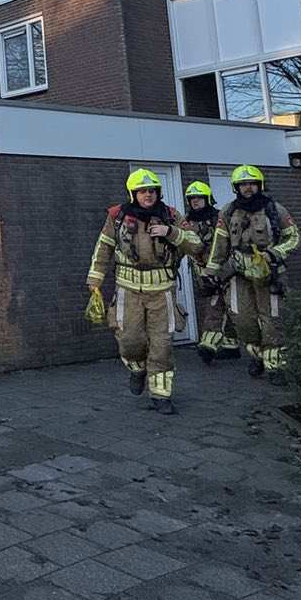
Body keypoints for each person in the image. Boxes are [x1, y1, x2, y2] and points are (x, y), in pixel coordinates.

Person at [86, 169, 204, 415]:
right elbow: (104, 246)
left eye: (152, 191)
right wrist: (95, 278)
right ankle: (137, 369)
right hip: (128, 290)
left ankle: (161, 395)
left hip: (162, 291)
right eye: (142, 191)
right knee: (129, 340)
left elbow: (196, 244)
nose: (148, 195)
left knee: (162, 345)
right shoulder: (117, 216)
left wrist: (170, 232)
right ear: (133, 194)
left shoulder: (171, 216)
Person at [203, 164, 301, 380]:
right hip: (239, 273)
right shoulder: (228, 212)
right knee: (242, 319)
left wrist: (275, 253)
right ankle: (256, 354)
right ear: (236, 188)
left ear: (260, 185)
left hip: (270, 272)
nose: (248, 188)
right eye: (243, 184)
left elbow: (293, 237)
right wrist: (210, 272)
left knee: (273, 320)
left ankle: (276, 367)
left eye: (252, 184)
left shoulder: (275, 209)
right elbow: (219, 245)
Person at [182, 181, 241, 366]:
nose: (196, 202)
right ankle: (221, 345)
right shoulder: (186, 221)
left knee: (229, 307)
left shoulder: (219, 218)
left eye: (199, 198)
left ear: (207, 199)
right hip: (203, 273)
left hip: (225, 270)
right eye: (192, 199)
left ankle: (219, 345)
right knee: (215, 306)